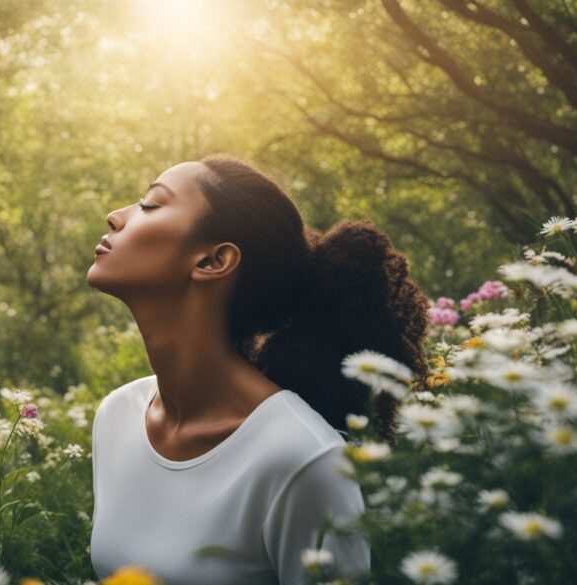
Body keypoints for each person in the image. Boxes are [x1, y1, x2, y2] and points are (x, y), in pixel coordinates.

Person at [85, 154, 430, 584]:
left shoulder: (303, 459)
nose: (116, 216)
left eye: (151, 204)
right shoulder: (117, 416)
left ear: (213, 261)